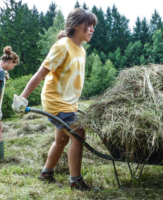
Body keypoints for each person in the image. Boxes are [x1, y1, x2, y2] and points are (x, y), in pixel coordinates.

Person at [12, 8, 99, 191]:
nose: (92, 29)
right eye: (88, 25)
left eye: (93, 26)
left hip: (69, 103)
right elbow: (40, 74)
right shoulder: (62, 46)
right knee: (78, 133)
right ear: (76, 25)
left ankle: (46, 173)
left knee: (62, 139)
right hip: (55, 101)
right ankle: (75, 181)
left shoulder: (81, 50)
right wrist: (22, 98)